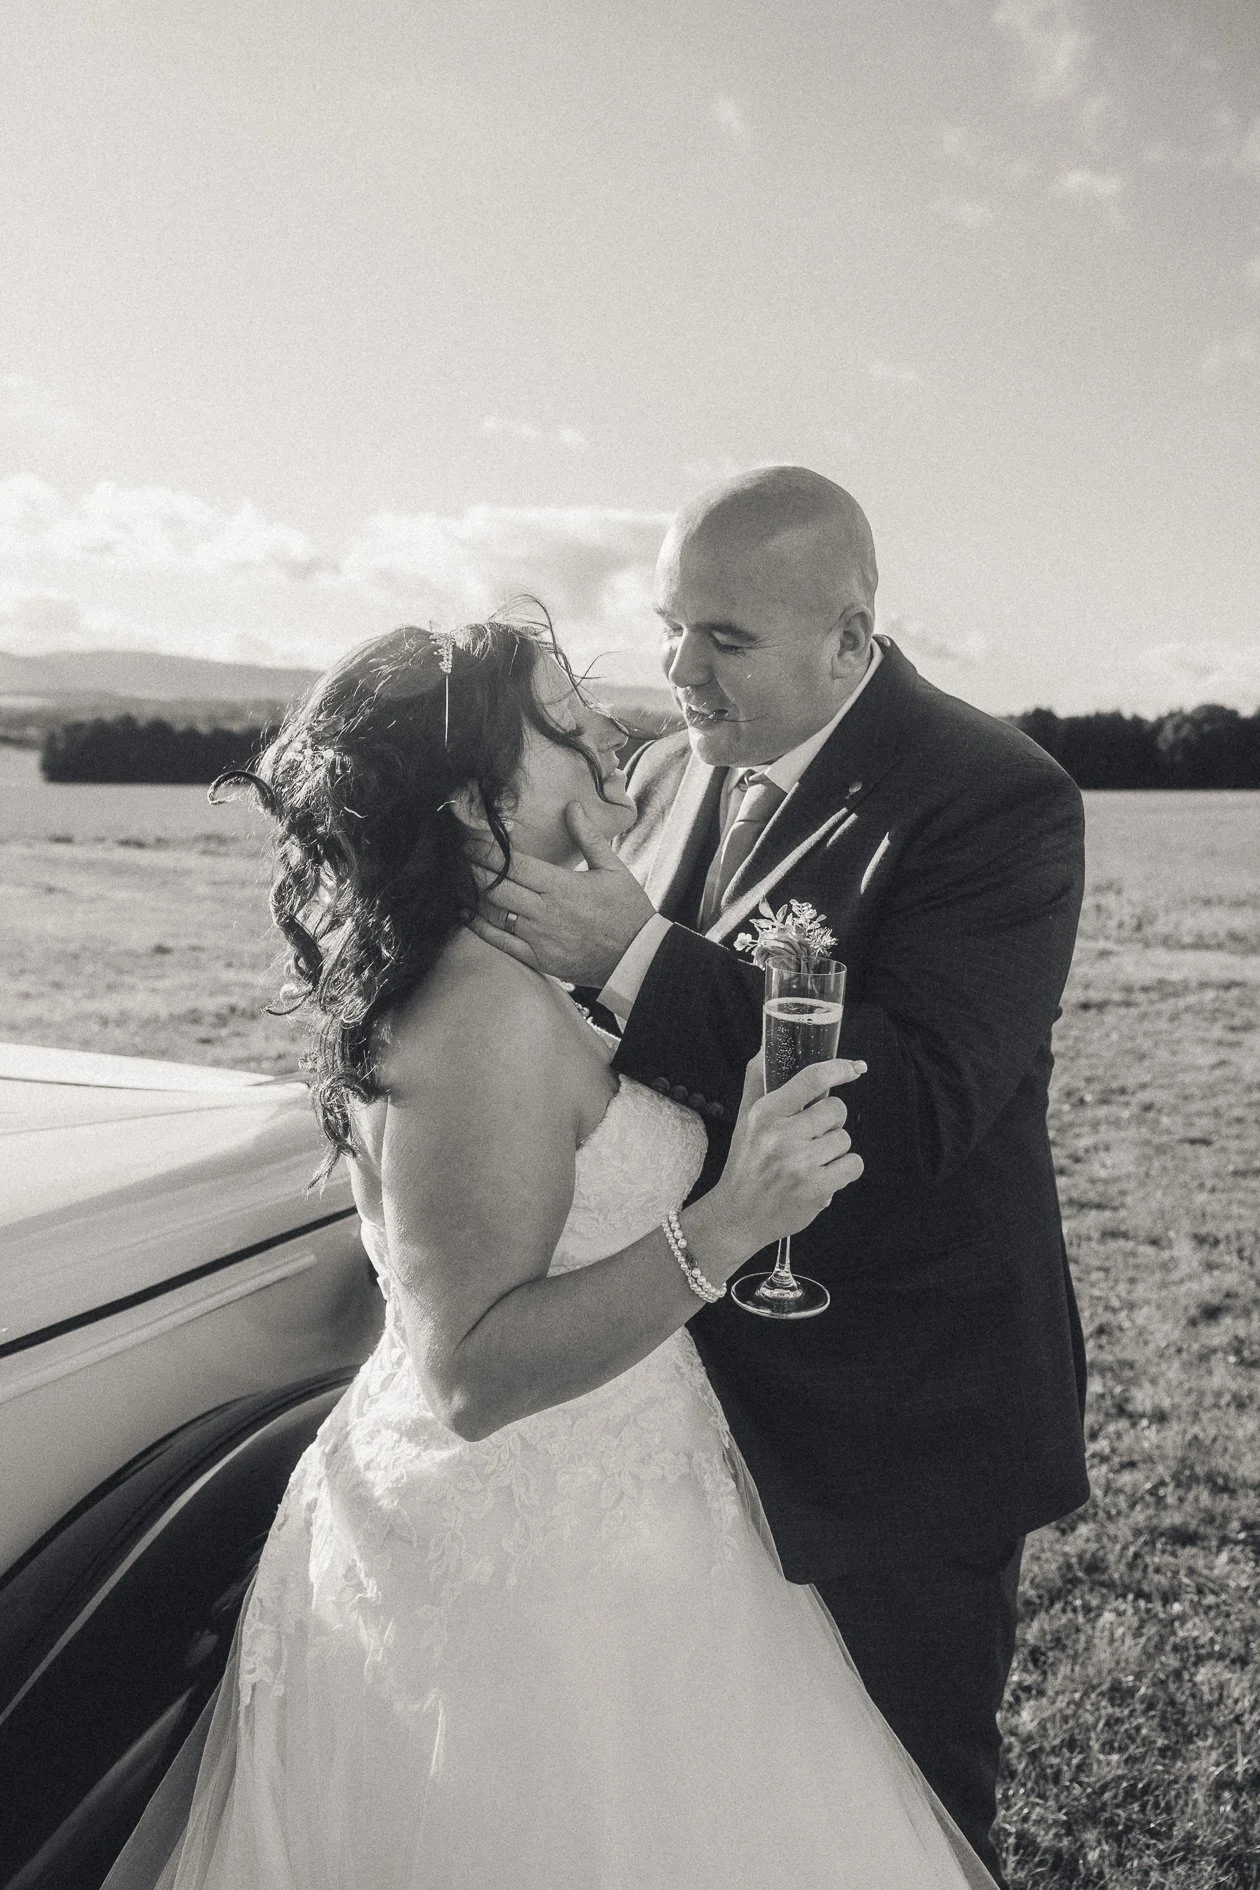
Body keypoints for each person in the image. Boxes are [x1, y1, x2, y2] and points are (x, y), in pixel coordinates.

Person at [104, 611, 997, 1890]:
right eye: (565, 719)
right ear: (474, 802)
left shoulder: (517, 971)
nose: (613, 731)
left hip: (633, 1513)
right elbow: (469, 1371)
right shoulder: (479, 1017)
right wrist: (727, 1225)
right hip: (526, 1585)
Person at [473, 470, 1090, 1887]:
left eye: (724, 640)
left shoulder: (999, 800)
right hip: (687, 1405)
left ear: (851, 641)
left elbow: (920, 1102)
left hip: (903, 1414)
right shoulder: (682, 767)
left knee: (904, 1814)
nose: (679, 671)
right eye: (670, 626)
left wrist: (629, 958)